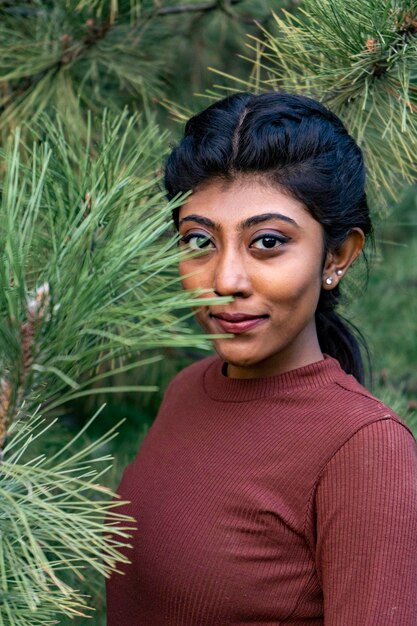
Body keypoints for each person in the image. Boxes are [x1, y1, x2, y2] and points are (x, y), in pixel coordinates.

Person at [106, 92, 417, 625]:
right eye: (199, 241)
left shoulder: (367, 450)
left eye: (267, 241)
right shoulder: (189, 388)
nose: (225, 280)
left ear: (337, 256)